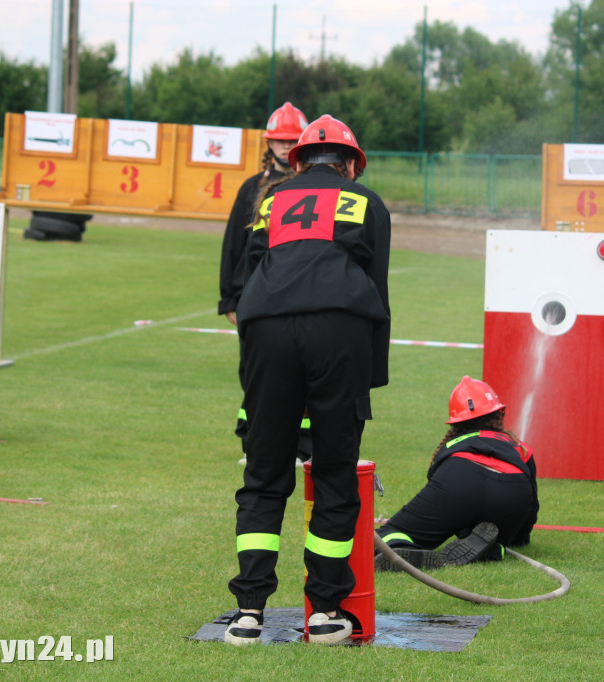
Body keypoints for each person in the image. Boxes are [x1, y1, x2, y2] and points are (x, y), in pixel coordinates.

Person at [224, 114, 391, 646]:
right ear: (350, 164)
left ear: (296, 161)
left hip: (267, 332)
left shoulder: (271, 202)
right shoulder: (367, 203)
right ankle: (324, 612)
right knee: (336, 473)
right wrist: (369, 379)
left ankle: (248, 612)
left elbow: (249, 276)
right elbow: (377, 291)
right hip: (338, 330)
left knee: (265, 473)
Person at [216, 102, 311, 465]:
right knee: (254, 373)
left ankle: (302, 446)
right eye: (279, 141)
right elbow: (234, 247)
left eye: (292, 141)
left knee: (300, 373)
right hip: (255, 298)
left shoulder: (310, 186)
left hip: (294, 298)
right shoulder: (251, 188)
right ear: (268, 143)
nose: (285, 147)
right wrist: (230, 299)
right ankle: (254, 441)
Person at [374, 376, 539, 573]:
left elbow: (440, 486)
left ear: (455, 423)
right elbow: (531, 507)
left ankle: (398, 548)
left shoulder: (453, 444)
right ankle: (494, 549)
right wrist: (518, 537)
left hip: (460, 478)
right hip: (513, 489)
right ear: (499, 414)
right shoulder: (520, 447)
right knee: (485, 534)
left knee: (389, 533)